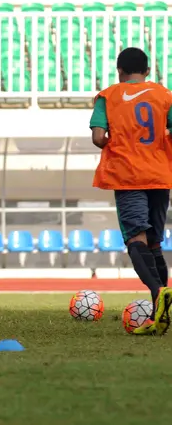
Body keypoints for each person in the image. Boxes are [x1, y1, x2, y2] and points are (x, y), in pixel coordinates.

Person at [90, 47, 172, 335]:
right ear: (147, 71)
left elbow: (99, 137)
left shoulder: (108, 96)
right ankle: (160, 313)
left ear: (119, 70)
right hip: (160, 175)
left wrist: (117, 142)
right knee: (153, 242)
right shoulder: (164, 95)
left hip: (128, 175)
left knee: (136, 240)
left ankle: (158, 290)